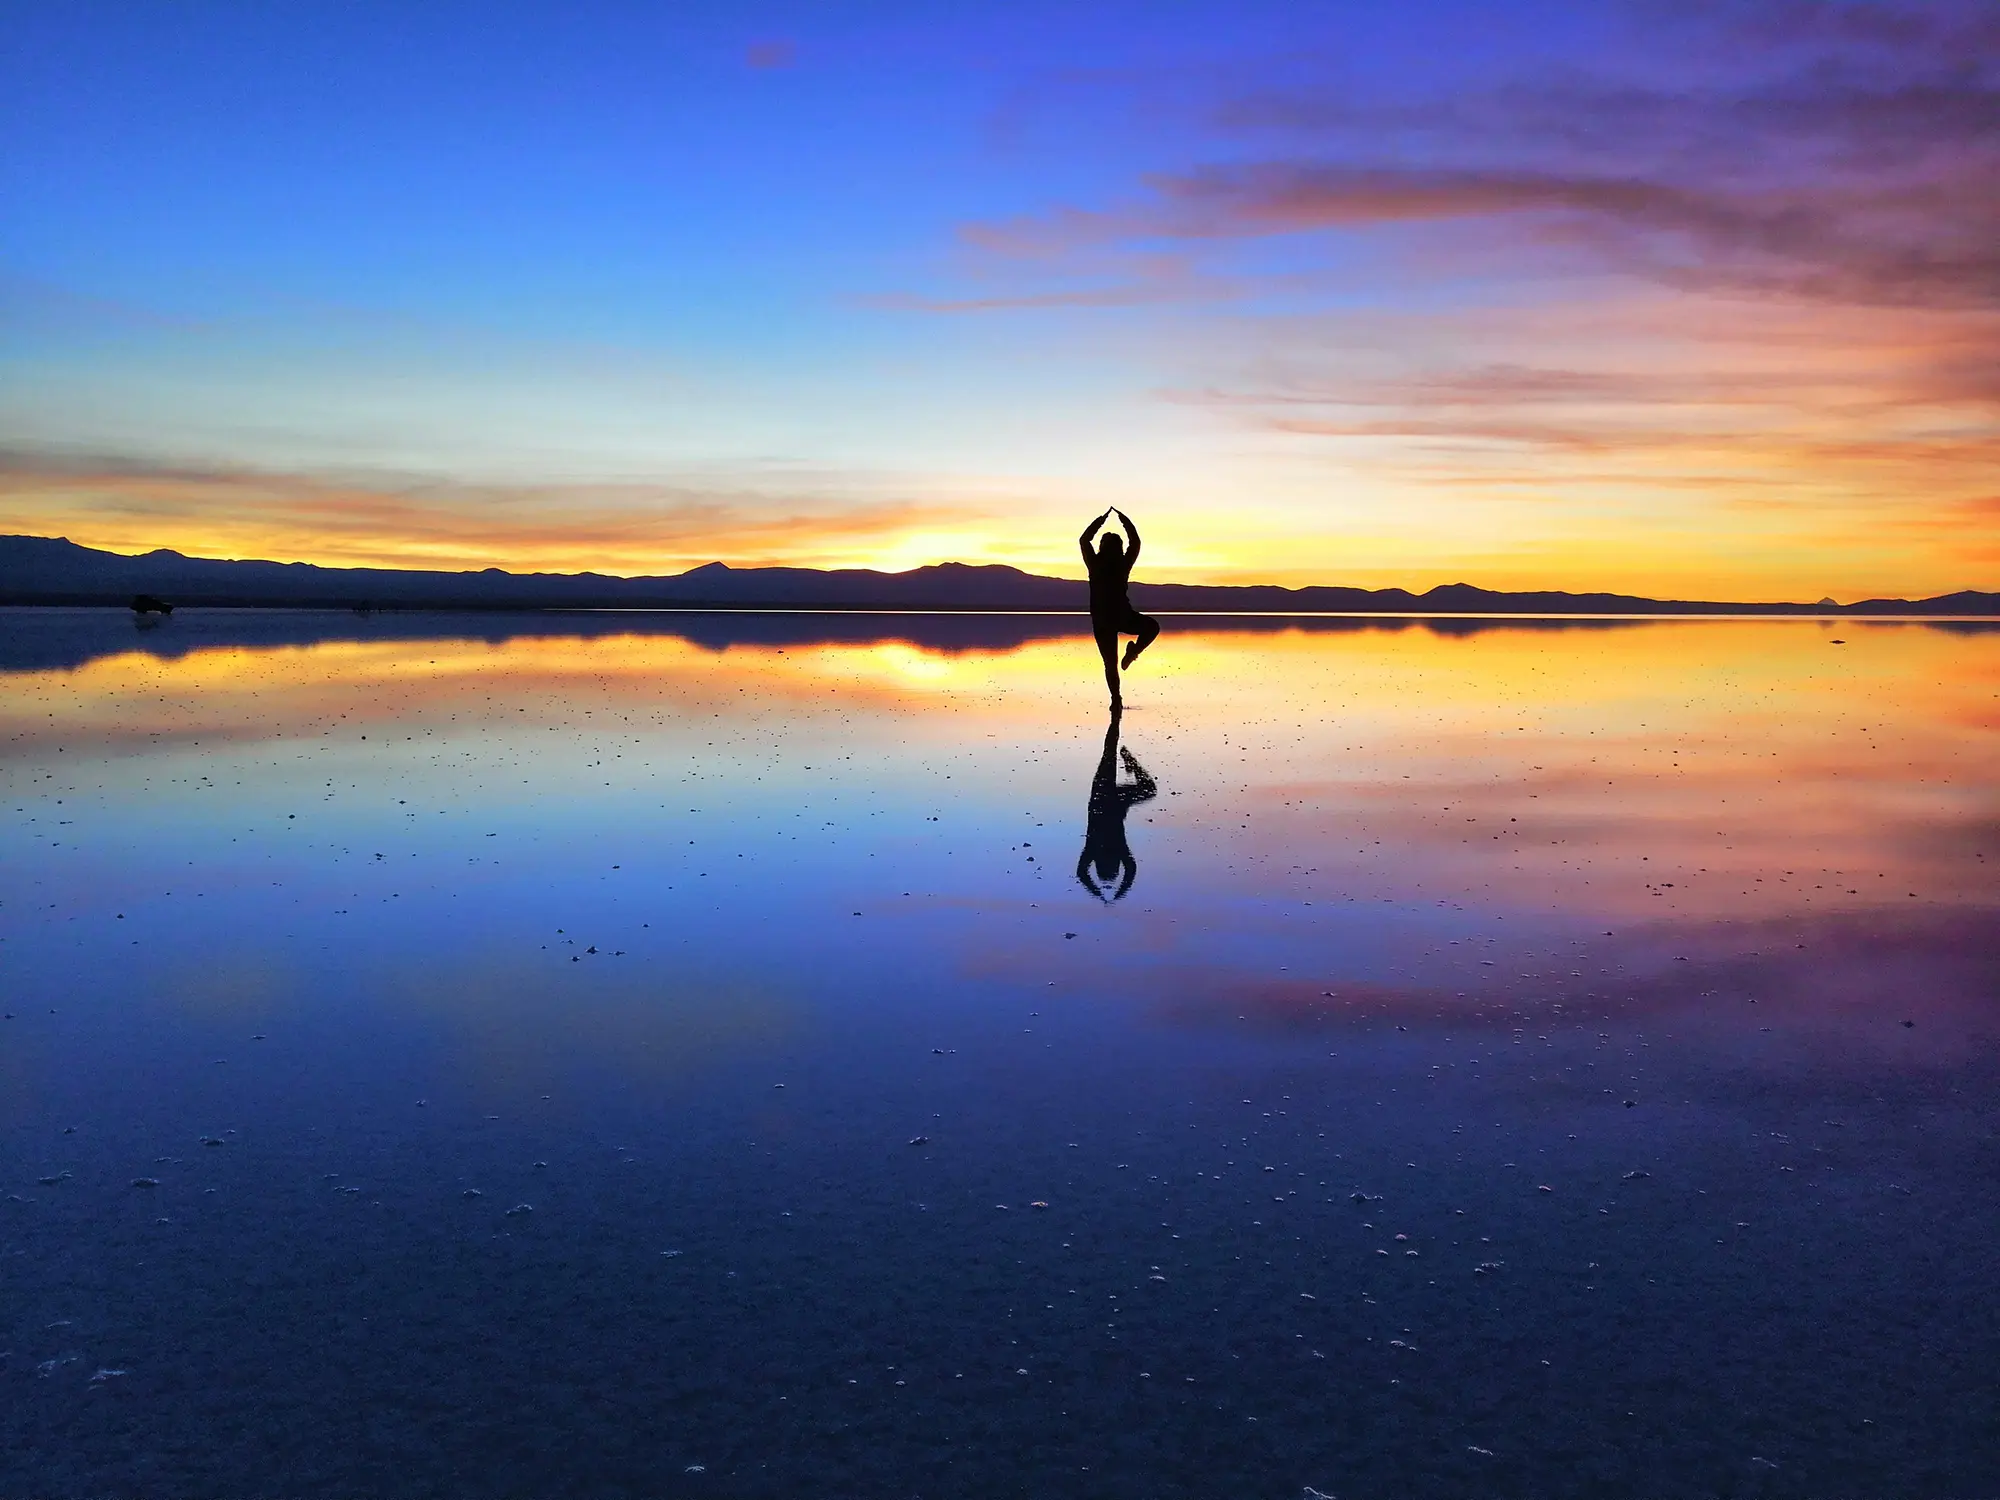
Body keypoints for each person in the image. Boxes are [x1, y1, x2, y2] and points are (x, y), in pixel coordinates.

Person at [1079, 508, 1160, 707]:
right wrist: (1124, 521)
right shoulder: (1116, 563)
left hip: (1110, 618)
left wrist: (1102, 520)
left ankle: (1117, 695)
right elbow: (1135, 542)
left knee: (1111, 664)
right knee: (1151, 628)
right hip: (1113, 618)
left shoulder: (1098, 563)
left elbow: (1084, 540)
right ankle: (1117, 697)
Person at [1076, 708, 1157, 902]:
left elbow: (1130, 870)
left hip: (1107, 797)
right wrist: (1102, 892)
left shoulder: (1097, 847)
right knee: (1110, 753)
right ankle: (1119, 731)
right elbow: (1082, 874)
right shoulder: (1098, 849)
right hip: (1111, 799)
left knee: (1110, 753)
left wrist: (1115, 892)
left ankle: (1116, 721)